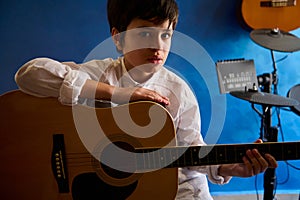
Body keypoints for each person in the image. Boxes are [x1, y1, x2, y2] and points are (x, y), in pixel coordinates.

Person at [15, 0, 278, 199]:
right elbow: (29, 74)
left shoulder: (178, 90)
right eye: (144, 33)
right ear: (118, 39)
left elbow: (190, 152)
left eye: (165, 35)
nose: (158, 45)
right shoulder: (99, 73)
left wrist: (229, 167)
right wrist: (118, 94)